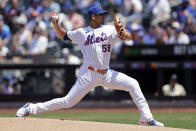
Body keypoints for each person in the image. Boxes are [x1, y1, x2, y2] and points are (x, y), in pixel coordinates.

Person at [16, 4, 164, 127]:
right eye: (100, 14)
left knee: (133, 83)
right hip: (88, 74)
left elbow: (129, 37)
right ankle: (31, 107)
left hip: (106, 74)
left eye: (103, 14)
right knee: (68, 102)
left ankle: (146, 118)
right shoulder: (82, 32)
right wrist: (55, 24)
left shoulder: (109, 29)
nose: (103, 16)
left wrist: (121, 30)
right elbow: (63, 35)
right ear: (93, 16)